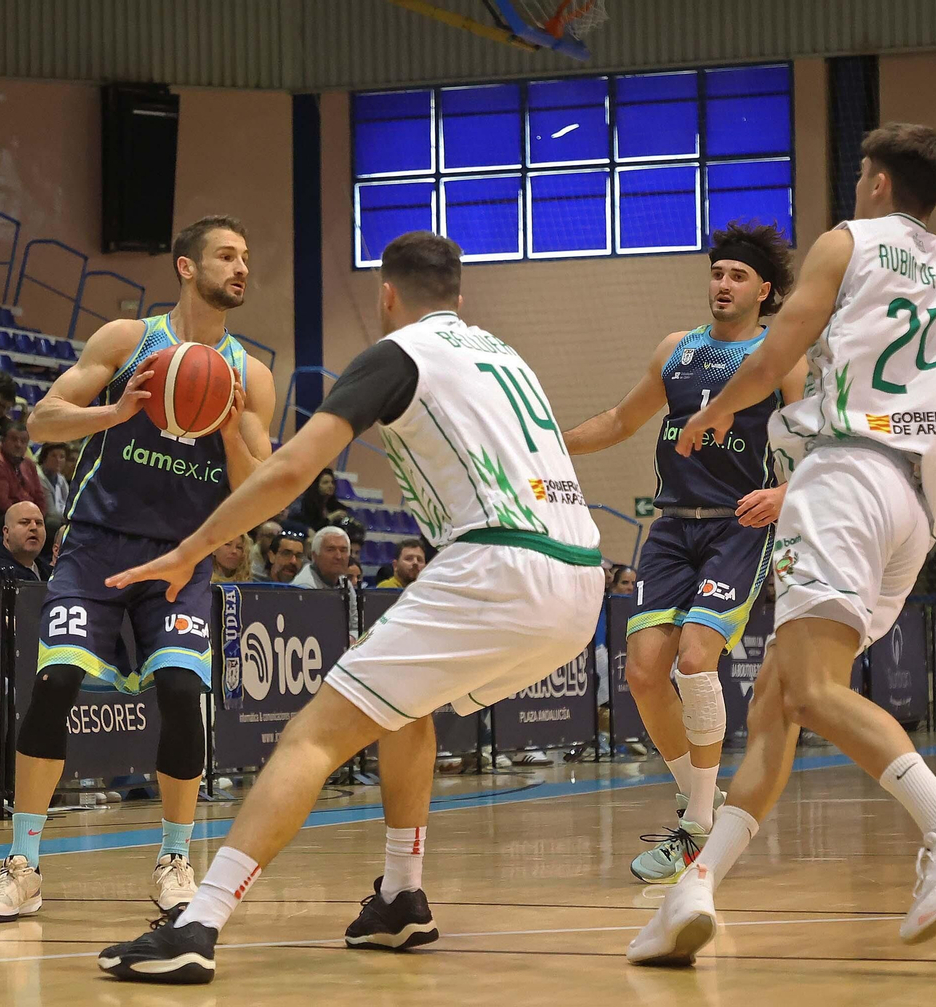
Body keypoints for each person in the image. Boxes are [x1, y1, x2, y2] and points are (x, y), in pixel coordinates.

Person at [96, 230, 602, 983]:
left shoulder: (397, 353)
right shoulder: (503, 353)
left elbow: (294, 468)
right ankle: (401, 896)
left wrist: (193, 546)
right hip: (583, 577)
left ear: (386, 296)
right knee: (404, 708)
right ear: (459, 296)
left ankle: (198, 922)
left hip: (500, 561)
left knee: (311, 735)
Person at [628, 123, 936, 965]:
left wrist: (711, 413)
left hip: (845, 472)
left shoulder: (847, 243)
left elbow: (775, 352)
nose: (857, 185)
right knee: (777, 705)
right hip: (915, 499)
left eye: (862, 173)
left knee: (813, 690)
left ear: (881, 184)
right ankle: (693, 890)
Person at [0, 215, 276, 928]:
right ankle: (22, 865)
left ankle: (174, 859)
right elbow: (44, 421)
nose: (241, 267)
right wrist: (118, 409)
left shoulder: (251, 374)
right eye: (227, 255)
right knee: (54, 685)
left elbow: (259, 487)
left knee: (178, 691)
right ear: (185, 266)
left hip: (182, 554)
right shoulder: (129, 339)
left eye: (246, 256)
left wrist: (229, 427)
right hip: (97, 545)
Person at [562, 221, 802, 883]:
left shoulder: (782, 356)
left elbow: (822, 446)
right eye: (717, 272)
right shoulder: (677, 350)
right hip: (670, 528)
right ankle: (698, 799)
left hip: (740, 525)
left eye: (737, 276)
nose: (722, 284)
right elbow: (618, 420)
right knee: (643, 672)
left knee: (696, 656)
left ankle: (695, 827)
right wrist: (550, 445)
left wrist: (785, 494)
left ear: (766, 290)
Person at [292, 524, 360, 640]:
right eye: (331, 550)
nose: (338, 556)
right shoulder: (304, 587)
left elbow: (356, 625)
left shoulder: (345, 583)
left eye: (343, 550)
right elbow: (313, 634)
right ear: (315, 555)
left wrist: (352, 639)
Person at [0, 501, 49, 581]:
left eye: (38, 523)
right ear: (6, 532)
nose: (34, 527)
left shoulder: (50, 571)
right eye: (24, 522)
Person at [37, 441, 71, 528]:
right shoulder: (39, 477)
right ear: (44, 457)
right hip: (48, 520)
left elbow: (69, 502)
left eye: (62, 457)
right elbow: (51, 512)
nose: (58, 460)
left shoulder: (61, 479)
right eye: (53, 456)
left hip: (63, 517)